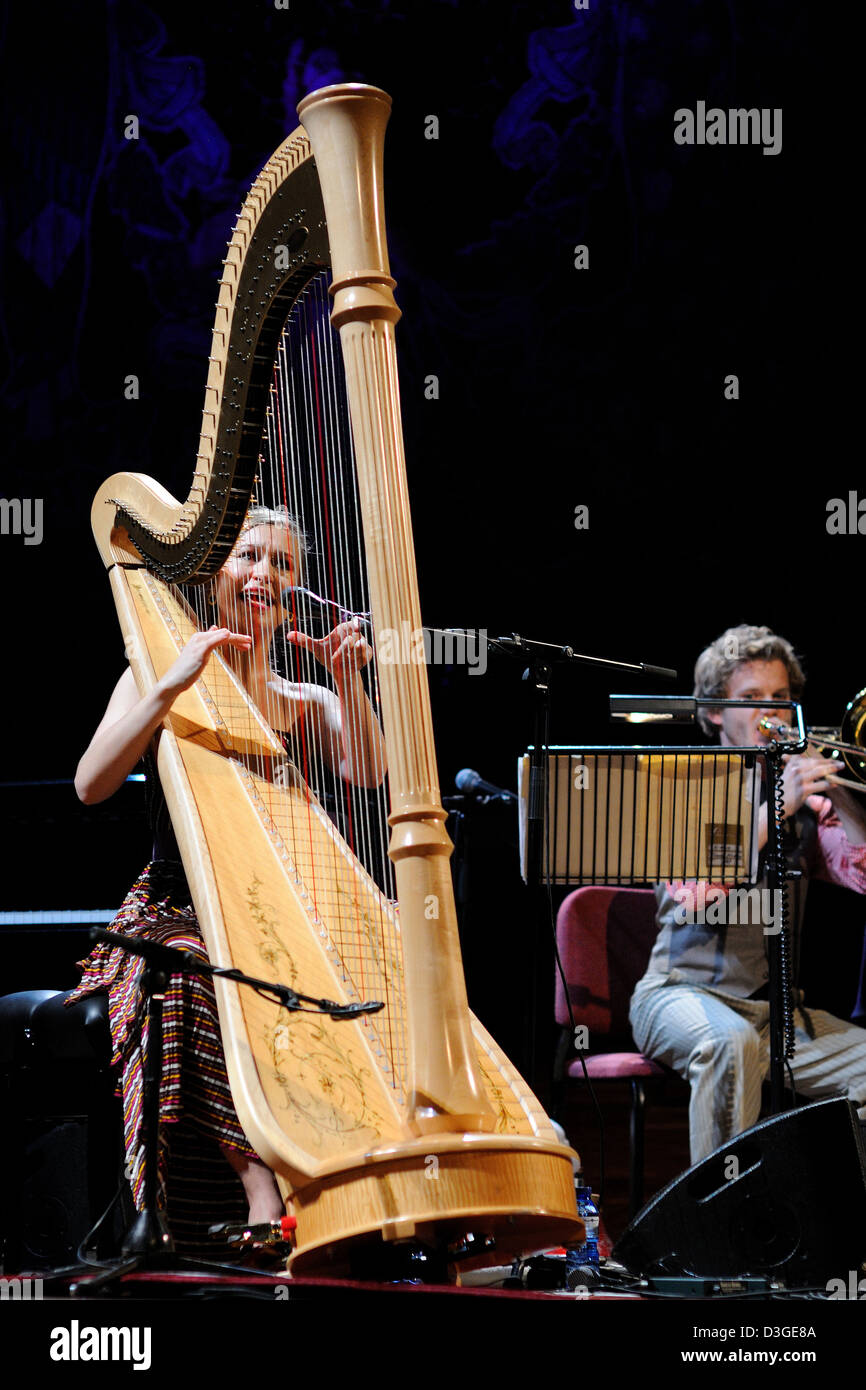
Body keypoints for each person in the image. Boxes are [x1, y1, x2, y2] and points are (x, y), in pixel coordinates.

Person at [70, 507, 387, 1245]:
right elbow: (89, 784)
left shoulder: (307, 702)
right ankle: (260, 1190)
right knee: (191, 966)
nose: (263, 575)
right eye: (249, 556)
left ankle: (354, 1188)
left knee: (349, 970)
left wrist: (349, 680)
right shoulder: (157, 671)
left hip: (276, 917)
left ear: (294, 591)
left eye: (281, 565)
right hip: (171, 915)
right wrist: (170, 683)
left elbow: (368, 774)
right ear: (214, 572)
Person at [629, 624, 866, 1165]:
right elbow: (692, 893)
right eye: (751, 699)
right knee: (731, 1044)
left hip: (775, 1013)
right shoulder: (685, 785)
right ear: (714, 713)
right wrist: (773, 807)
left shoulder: (804, 796)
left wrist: (843, 792)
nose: (771, 713)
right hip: (679, 994)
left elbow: (860, 877)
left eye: (780, 699)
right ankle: (717, 1240)